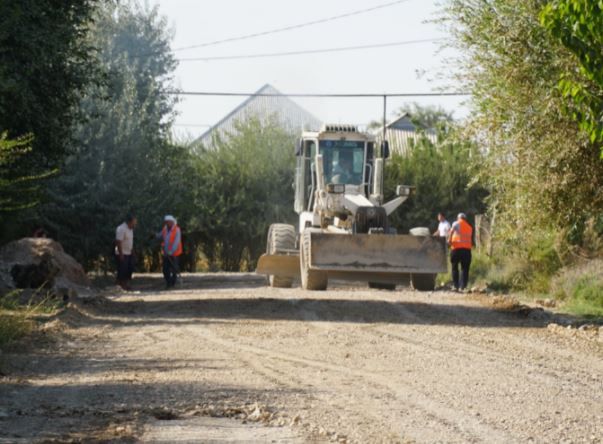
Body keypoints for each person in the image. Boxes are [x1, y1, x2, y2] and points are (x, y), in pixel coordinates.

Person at [447, 213, 473, 292]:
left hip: (456, 249)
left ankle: (456, 286)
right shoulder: (469, 227)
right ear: (465, 219)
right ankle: (463, 286)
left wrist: (449, 240)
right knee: (465, 269)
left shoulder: (456, 223)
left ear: (458, 218)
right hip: (466, 250)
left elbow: (451, 231)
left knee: (455, 268)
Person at [157, 215, 182, 288]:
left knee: (174, 269)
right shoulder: (165, 229)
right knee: (165, 269)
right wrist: (155, 235)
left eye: (167, 222)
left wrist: (171, 252)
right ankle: (168, 282)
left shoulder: (177, 230)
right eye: (166, 222)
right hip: (166, 253)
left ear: (171, 222)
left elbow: (176, 243)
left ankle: (172, 283)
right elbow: (160, 235)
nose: (166, 224)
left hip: (175, 253)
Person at [115, 214, 137, 290]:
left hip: (129, 252)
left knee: (129, 269)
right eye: (134, 223)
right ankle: (120, 285)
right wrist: (121, 254)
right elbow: (118, 241)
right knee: (122, 270)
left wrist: (132, 251)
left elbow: (130, 241)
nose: (135, 224)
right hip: (122, 253)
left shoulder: (130, 229)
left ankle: (126, 284)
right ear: (129, 222)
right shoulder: (121, 228)